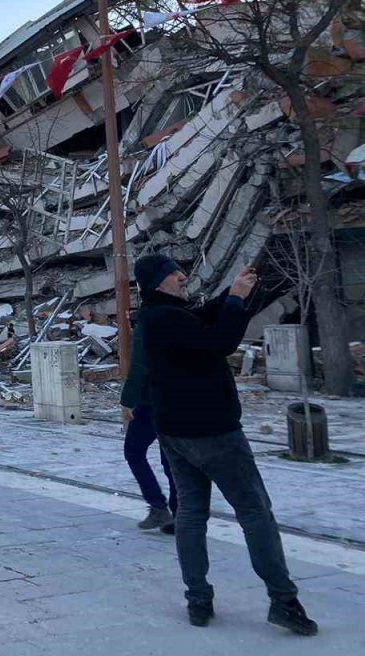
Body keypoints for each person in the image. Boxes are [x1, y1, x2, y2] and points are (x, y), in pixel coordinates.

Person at [137, 253, 316, 635]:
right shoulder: (166, 318)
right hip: (212, 432)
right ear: (157, 282)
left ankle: (198, 599)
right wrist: (234, 300)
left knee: (190, 511)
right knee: (254, 511)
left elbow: (201, 317)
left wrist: (235, 292)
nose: (182, 277)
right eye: (174, 274)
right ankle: (284, 600)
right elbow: (218, 342)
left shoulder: (161, 315)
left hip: (175, 432)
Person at [120, 309, 177, 533]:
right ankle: (179, 512)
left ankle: (158, 507)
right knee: (170, 459)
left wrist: (128, 399)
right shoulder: (179, 317)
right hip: (175, 398)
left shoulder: (147, 323)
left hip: (150, 399)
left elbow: (139, 364)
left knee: (134, 451)